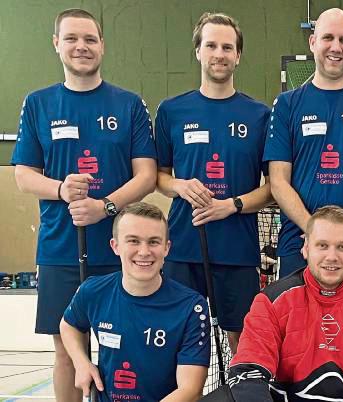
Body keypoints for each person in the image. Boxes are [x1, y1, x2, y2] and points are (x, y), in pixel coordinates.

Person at [10, 9, 156, 402]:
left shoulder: (129, 104)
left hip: (120, 249)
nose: (82, 47)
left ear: (102, 46)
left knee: (122, 346)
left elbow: (146, 175)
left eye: (90, 39)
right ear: (56, 44)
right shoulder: (39, 103)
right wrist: (61, 189)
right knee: (67, 350)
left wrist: (104, 208)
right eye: (72, 38)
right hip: (60, 248)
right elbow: (23, 174)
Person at [155, 12, 272, 354]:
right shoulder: (172, 110)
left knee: (242, 342)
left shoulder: (260, 115)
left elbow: (272, 188)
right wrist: (179, 186)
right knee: (178, 339)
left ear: (237, 55)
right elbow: (157, 176)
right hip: (184, 245)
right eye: (211, 45)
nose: (219, 53)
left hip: (237, 248)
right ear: (198, 51)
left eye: (227, 46)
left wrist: (231, 206)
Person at [228, 206, 343, 401]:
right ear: (306, 248)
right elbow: (248, 373)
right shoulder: (271, 301)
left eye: (342, 247)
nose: (332, 257)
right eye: (322, 245)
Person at [265, 8, 343, 281]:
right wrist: (313, 231)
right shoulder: (287, 105)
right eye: (328, 38)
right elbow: (278, 182)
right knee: (292, 324)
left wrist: (341, 233)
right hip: (297, 244)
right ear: (313, 42)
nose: (336, 47)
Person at [60, 202, 210, 401]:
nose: (144, 252)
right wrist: (81, 362)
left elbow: (190, 389)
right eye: (133, 241)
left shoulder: (192, 307)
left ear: (167, 248)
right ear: (115, 246)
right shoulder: (93, 291)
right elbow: (69, 325)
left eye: (154, 242)